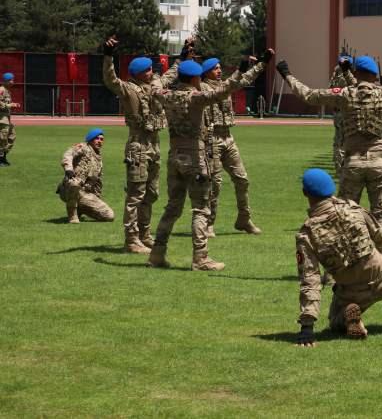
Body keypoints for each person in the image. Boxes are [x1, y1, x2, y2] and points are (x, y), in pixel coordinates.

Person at [277, 54, 382, 230]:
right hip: (379, 162)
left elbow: (308, 95)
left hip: (353, 162)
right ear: (374, 75)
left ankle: (348, 251)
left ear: (356, 72)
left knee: (346, 215)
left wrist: (287, 74)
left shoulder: (345, 94)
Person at [148, 52, 271, 271]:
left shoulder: (166, 95)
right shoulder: (196, 97)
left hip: (174, 155)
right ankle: (201, 258)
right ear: (196, 78)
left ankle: (157, 254)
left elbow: (156, 85)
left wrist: (171, 65)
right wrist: (240, 70)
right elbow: (224, 90)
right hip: (195, 156)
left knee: (172, 207)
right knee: (201, 209)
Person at [294, 168, 382, 346]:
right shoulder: (353, 209)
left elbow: (310, 279)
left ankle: (347, 317)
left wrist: (307, 327)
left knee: (335, 323)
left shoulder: (306, 235)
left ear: (305, 193)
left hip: (350, 292)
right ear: (331, 189)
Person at [102, 36, 183, 254]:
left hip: (154, 145)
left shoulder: (154, 84)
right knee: (135, 195)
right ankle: (131, 239)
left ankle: (144, 233)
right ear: (138, 74)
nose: (151, 72)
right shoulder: (129, 89)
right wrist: (108, 56)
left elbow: (169, 76)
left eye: (151, 69)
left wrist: (182, 57)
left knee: (152, 193)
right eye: (147, 70)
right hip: (138, 145)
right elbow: (111, 80)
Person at [201, 57, 262, 237]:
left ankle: (244, 219)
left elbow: (246, 79)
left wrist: (261, 64)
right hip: (211, 139)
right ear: (206, 72)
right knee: (215, 183)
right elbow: (229, 85)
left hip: (228, 137)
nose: (219, 71)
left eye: (220, 67)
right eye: (215, 68)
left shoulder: (228, 83)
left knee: (242, 179)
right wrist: (240, 70)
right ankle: (209, 223)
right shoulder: (203, 87)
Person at [57, 128, 114, 224]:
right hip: (69, 189)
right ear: (90, 139)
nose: (99, 141)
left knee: (109, 216)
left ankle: (81, 208)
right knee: (74, 183)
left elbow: (97, 183)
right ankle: (72, 216)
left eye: (101, 139)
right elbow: (68, 154)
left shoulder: (98, 159)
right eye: (97, 139)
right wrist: (69, 169)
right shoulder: (83, 147)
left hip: (85, 194)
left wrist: (96, 199)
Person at [0, 72, 19, 166]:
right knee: (3, 138)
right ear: (6, 81)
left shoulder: (7, 91)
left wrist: (13, 105)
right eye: (11, 80)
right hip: (1, 118)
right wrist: (9, 105)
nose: (13, 82)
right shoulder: (1, 90)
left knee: (12, 136)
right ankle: (0, 159)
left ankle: (3, 156)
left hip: (7, 118)